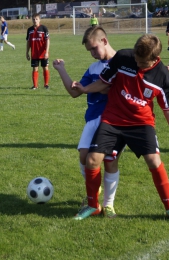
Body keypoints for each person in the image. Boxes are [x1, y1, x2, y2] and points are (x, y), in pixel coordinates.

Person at [72, 34, 169, 227]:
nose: (137, 63)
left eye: (141, 62)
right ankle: (93, 206)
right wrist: (84, 89)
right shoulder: (124, 57)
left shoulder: (162, 76)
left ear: (154, 59)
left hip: (141, 124)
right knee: (92, 160)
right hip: (113, 120)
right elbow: (104, 82)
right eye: (136, 58)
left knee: (154, 160)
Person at [53, 26, 120, 218]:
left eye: (93, 49)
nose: (92, 53)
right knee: (84, 157)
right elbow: (76, 92)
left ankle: (108, 205)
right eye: (89, 51)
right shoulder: (93, 68)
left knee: (109, 160)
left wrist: (89, 88)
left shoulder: (121, 63)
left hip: (111, 118)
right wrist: (61, 70)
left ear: (104, 41)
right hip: (92, 118)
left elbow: (110, 90)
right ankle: (94, 194)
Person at [26, 13, 50, 90]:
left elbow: (48, 41)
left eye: (36, 19)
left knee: (45, 68)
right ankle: (35, 86)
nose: (35, 21)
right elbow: (28, 42)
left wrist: (46, 52)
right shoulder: (29, 30)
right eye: (33, 19)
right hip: (34, 54)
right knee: (35, 69)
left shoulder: (44, 28)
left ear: (39, 20)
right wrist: (27, 52)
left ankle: (46, 85)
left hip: (43, 53)